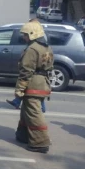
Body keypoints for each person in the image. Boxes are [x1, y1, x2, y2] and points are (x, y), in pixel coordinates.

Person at [14, 20, 54, 154]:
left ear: (32, 34)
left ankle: (40, 143)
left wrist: (19, 90)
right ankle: (24, 135)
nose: (24, 37)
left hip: (33, 84)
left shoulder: (32, 49)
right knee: (27, 111)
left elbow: (26, 71)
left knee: (33, 113)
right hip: (43, 82)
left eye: (25, 35)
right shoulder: (46, 47)